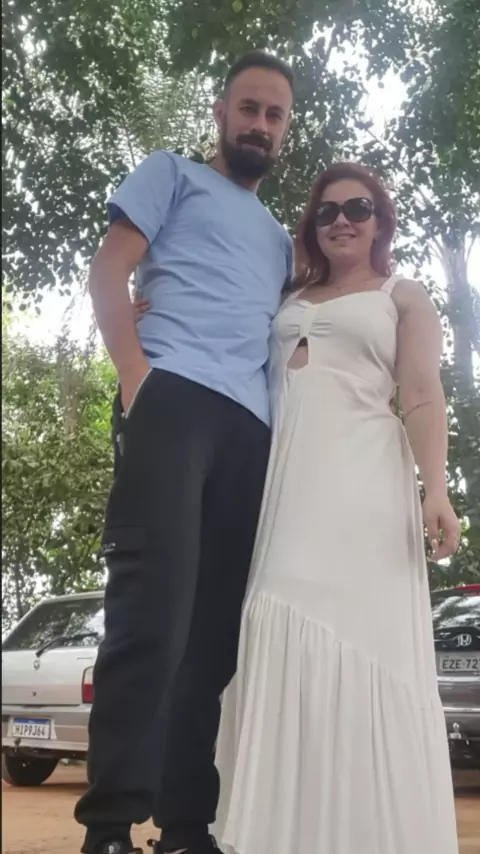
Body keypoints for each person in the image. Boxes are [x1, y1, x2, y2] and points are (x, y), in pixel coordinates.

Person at [74, 51, 294, 854]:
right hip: (172, 401)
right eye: (249, 108)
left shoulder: (281, 241)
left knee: (212, 638)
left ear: (284, 132)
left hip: (252, 431)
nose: (259, 124)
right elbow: (109, 271)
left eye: (274, 115)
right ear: (221, 113)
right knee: (151, 616)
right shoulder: (170, 174)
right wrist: (138, 381)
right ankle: (109, 824)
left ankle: (186, 825)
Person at [209, 163, 461, 854]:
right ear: (311, 227)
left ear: (380, 222)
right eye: (326, 212)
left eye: (357, 208)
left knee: (360, 642)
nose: (341, 220)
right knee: (273, 614)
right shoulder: (286, 293)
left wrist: (436, 489)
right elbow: (223, 329)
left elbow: (421, 394)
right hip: (286, 485)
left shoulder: (402, 295)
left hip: (365, 485)